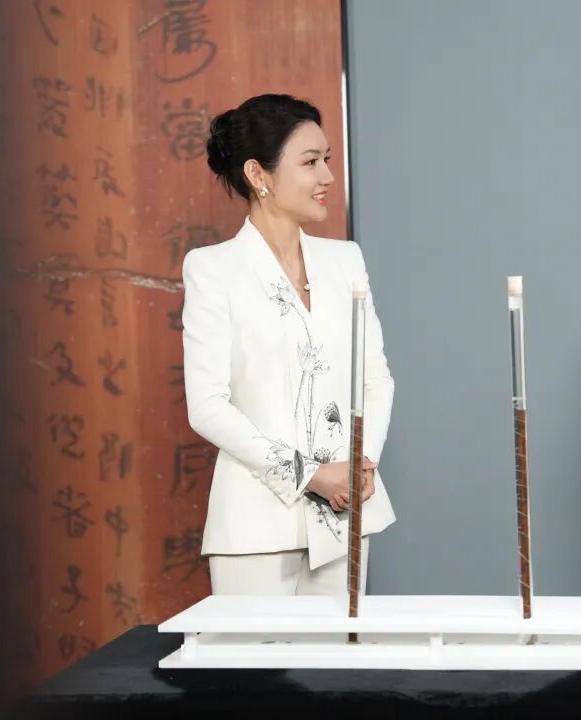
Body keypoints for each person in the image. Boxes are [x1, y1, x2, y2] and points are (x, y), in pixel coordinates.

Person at [183, 93, 395, 595]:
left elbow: (375, 378)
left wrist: (358, 466)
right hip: (255, 523)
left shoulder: (345, 261)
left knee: (339, 649)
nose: (327, 176)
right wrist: (310, 474)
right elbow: (207, 406)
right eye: (310, 162)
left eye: (327, 160)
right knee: (254, 651)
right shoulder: (213, 269)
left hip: (345, 515)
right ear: (258, 174)